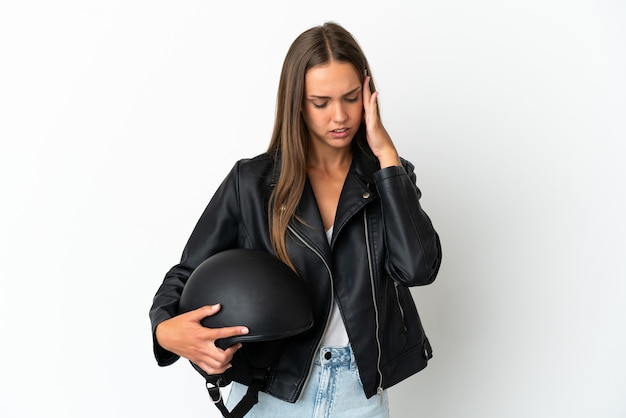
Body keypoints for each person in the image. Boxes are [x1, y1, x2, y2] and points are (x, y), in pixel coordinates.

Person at [149, 21, 442, 417]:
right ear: (297, 104)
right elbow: (185, 274)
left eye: (351, 98)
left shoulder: (390, 177)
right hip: (271, 394)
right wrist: (166, 331)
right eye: (320, 102)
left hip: (360, 394)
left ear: (369, 95)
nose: (339, 116)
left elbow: (418, 268)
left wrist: (387, 157)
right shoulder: (251, 183)